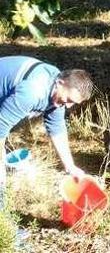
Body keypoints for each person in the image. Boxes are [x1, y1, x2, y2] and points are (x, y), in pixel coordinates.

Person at [0, 56, 95, 207]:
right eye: (69, 100)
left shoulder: (56, 88)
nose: (68, 106)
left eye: (73, 103)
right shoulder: (33, 92)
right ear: (60, 82)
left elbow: (56, 128)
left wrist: (70, 166)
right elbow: (1, 126)